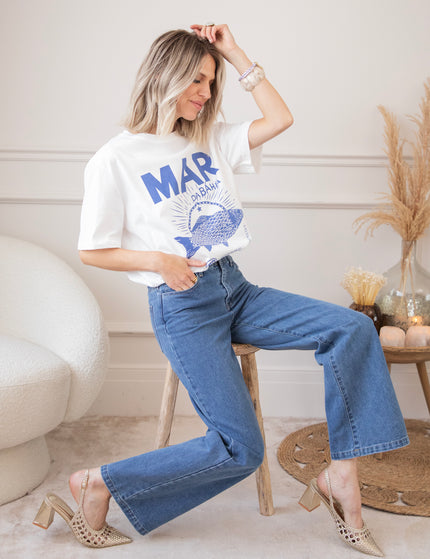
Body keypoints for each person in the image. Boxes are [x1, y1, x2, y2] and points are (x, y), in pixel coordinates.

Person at [33, 24, 408, 556]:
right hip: (183, 306)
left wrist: (234, 54)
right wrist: (159, 260)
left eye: (211, 83)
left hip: (235, 288)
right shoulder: (114, 160)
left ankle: (340, 475)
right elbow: (93, 250)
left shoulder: (207, 136)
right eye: (196, 81)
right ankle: (98, 481)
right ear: (164, 77)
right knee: (241, 448)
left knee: (351, 329)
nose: (206, 94)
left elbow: (280, 118)